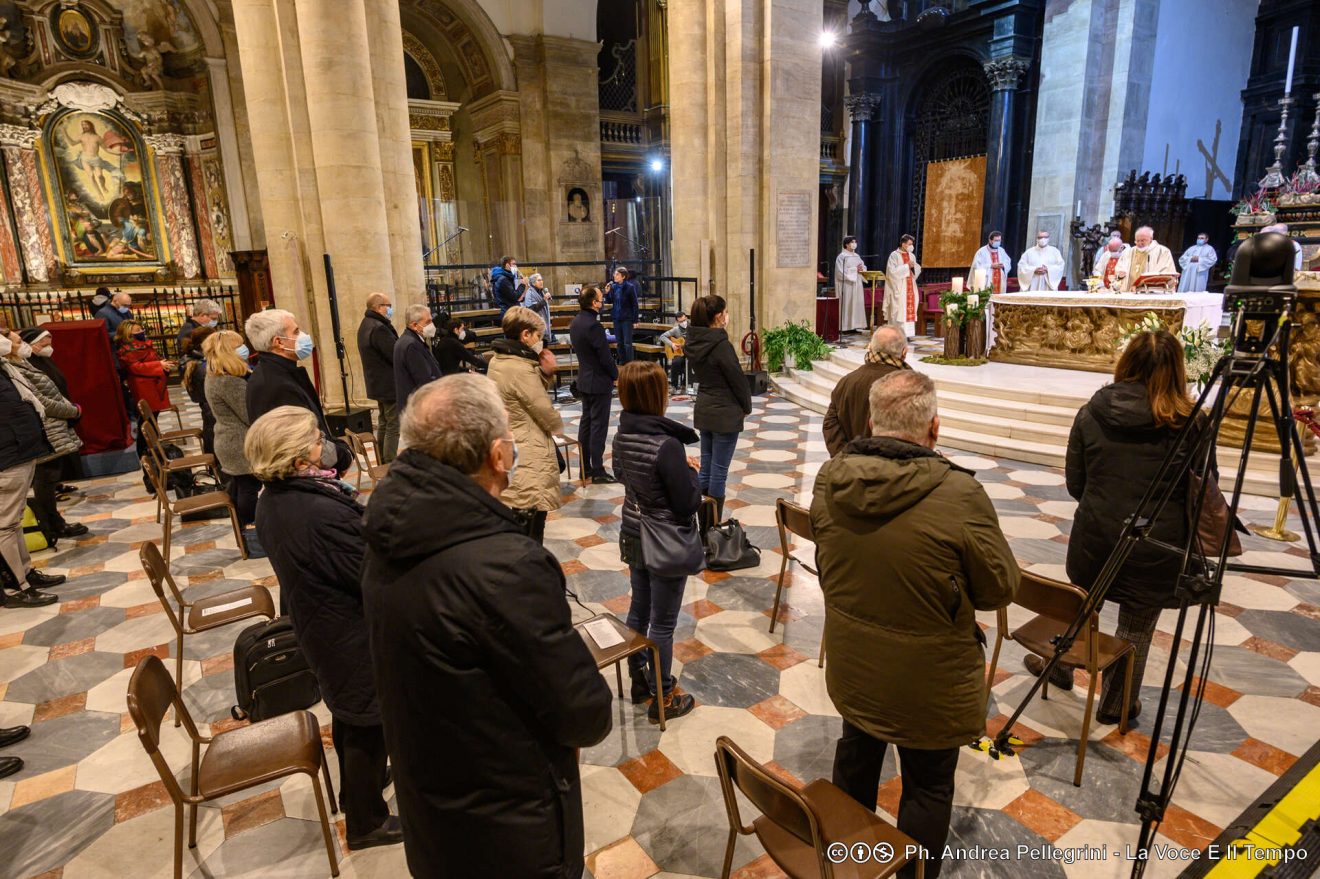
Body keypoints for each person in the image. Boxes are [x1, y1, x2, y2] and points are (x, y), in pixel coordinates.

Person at [360, 374, 613, 879]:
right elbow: (585, 714)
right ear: (499, 456)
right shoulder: (505, 566)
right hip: (508, 827)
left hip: (433, 804)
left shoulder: (387, 527)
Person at [811, 370, 1017, 879]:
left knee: (856, 758)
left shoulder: (830, 480)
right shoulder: (960, 495)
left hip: (854, 664)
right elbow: (998, 590)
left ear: (871, 422)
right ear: (935, 429)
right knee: (926, 785)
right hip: (930, 683)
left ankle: (853, 866)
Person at [246, 406, 403, 851]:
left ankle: (359, 788)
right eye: (316, 439)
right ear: (299, 460)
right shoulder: (315, 512)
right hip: (344, 631)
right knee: (365, 719)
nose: (325, 444)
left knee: (356, 715)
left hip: (324, 622)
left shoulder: (278, 496)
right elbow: (370, 575)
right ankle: (366, 822)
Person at [1045, 329, 1205, 725]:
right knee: (1136, 627)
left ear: (1125, 363)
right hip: (1156, 543)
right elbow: (1202, 490)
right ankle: (1116, 702)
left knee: (1084, 605)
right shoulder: (1192, 423)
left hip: (1097, 534)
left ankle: (1063, 666)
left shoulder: (1092, 412)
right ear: (1177, 371)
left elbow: (1075, 484)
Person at [614, 361, 702, 722]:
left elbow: (622, 475)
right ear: (657, 395)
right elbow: (686, 502)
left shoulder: (622, 434)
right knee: (663, 623)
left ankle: (640, 680)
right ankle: (663, 698)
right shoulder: (667, 445)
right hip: (663, 537)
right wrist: (692, 474)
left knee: (639, 608)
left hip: (633, 530)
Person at [244, 309, 353, 474]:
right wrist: (342, 457)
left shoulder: (276, 372)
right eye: (296, 331)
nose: (303, 335)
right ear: (279, 342)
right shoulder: (277, 385)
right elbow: (304, 440)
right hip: (303, 478)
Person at [488, 306, 563, 543]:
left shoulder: (498, 360)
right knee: (531, 526)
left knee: (517, 518)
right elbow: (545, 412)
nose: (540, 342)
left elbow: (522, 395)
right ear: (525, 335)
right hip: (528, 452)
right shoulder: (520, 368)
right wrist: (549, 372)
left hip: (511, 445)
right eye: (538, 336)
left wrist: (543, 373)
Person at [0, 328, 62, 609]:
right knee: (5, 526)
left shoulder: (6, 368)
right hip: (8, 456)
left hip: (20, 452)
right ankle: (16, 586)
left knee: (11, 524)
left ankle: (25, 573)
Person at [6, 332, 83, 549]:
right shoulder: (14, 368)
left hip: (54, 427)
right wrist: (72, 411)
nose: (23, 345)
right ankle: (50, 524)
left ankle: (53, 521)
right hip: (46, 428)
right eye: (19, 342)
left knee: (49, 478)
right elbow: (41, 401)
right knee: (45, 479)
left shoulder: (22, 364)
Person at [685, 294, 752, 523]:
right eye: (725, 312)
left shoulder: (694, 340)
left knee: (706, 469)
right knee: (719, 472)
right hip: (724, 411)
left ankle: (704, 525)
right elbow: (737, 378)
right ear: (718, 317)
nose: (727, 316)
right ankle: (712, 527)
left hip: (705, 406)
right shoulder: (720, 344)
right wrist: (746, 406)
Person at [203, 330, 261, 533]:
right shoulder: (228, 380)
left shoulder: (216, 374)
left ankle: (243, 531)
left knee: (241, 487)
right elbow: (248, 413)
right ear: (228, 351)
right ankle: (250, 531)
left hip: (229, 440)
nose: (245, 349)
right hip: (237, 443)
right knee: (249, 488)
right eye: (239, 346)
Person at [823, 326, 909, 457]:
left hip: (849, 470)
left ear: (870, 347)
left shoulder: (846, 382)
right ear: (904, 352)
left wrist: (846, 459)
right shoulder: (911, 387)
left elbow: (830, 425)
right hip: (891, 473)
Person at [569, 285, 619, 483]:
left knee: (586, 423)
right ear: (593, 302)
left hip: (584, 380)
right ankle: (598, 470)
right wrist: (615, 374)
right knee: (599, 426)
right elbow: (605, 357)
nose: (603, 300)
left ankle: (585, 467)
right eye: (600, 297)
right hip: (598, 382)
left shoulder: (576, 322)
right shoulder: (594, 325)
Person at [115, 318, 175, 464]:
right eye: (137, 331)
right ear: (128, 334)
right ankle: (145, 451)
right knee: (147, 419)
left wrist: (163, 365)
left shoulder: (144, 345)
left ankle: (152, 448)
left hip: (153, 383)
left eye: (141, 329)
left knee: (153, 418)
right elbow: (135, 367)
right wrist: (158, 365)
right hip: (143, 386)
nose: (141, 332)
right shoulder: (126, 350)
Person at [356, 292, 399, 463]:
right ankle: (389, 462)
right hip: (388, 383)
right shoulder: (379, 327)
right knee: (393, 425)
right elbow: (394, 353)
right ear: (379, 307)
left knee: (383, 421)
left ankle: (382, 458)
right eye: (388, 306)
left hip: (377, 383)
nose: (390, 309)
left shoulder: (366, 324)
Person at [393, 304, 442, 407]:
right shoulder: (412, 345)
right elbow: (423, 379)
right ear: (415, 325)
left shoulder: (409, 340)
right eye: (428, 322)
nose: (432, 325)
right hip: (417, 406)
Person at [181, 326, 216, 455]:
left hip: (208, 408)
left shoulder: (197, 360)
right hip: (210, 408)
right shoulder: (200, 365)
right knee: (212, 435)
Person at [1114, 226, 1177, 292]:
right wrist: (1120, 273)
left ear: (1151, 239)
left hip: (1151, 292)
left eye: (1143, 240)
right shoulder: (1129, 252)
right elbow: (1120, 268)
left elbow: (1166, 272)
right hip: (1130, 291)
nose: (1140, 243)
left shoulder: (1162, 252)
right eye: (1137, 241)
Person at [884, 234, 921, 337]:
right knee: (899, 311)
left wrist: (914, 267)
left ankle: (907, 334)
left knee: (909, 310)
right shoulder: (894, 255)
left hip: (910, 286)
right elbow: (891, 272)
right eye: (909, 244)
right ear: (903, 244)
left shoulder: (912, 255)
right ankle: (897, 334)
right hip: (899, 287)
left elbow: (915, 271)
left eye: (912, 244)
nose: (911, 246)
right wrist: (906, 266)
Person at [605, 266, 640, 364]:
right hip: (616, 317)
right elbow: (609, 301)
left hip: (626, 318)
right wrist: (607, 293)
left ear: (623, 276)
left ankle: (630, 363)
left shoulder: (630, 287)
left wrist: (635, 320)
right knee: (619, 342)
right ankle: (622, 361)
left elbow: (635, 304)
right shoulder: (614, 287)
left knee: (627, 343)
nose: (614, 276)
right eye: (614, 274)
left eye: (617, 274)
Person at [835, 236, 868, 333]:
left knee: (856, 304)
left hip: (857, 283)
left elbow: (863, 266)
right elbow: (839, 272)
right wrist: (855, 270)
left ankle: (854, 326)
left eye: (855, 242)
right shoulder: (842, 256)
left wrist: (862, 269)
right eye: (852, 242)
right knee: (847, 304)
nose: (854, 244)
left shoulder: (856, 256)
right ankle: (844, 327)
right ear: (846, 244)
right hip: (847, 285)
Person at [521, 273, 555, 344]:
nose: (541, 282)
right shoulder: (529, 293)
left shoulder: (542, 292)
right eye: (539, 280)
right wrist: (544, 300)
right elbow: (531, 309)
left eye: (542, 280)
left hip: (544, 323)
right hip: (535, 325)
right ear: (533, 283)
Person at [659, 312, 689, 389]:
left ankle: (684, 384)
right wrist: (672, 344)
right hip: (680, 352)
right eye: (680, 321)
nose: (683, 323)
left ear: (686, 318)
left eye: (684, 320)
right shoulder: (676, 330)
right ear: (677, 322)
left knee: (690, 363)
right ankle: (674, 385)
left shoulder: (692, 328)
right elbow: (662, 336)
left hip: (689, 352)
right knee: (676, 362)